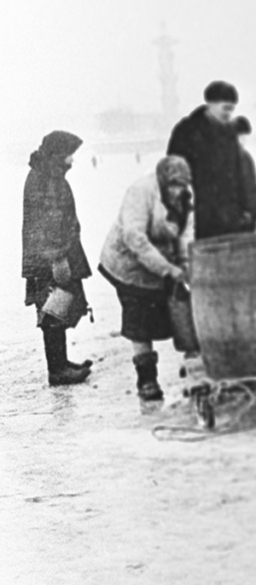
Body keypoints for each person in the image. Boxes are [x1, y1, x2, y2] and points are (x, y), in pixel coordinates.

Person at [98, 156, 194, 400]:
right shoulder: (140, 192)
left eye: (183, 185)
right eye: (173, 185)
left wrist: (183, 265)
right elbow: (135, 238)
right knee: (139, 319)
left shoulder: (185, 199)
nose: (178, 190)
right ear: (162, 181)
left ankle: (195, 370)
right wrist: (168, 269)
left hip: (158, 261)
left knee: (178, 312)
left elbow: (185, 235)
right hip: (127, 263)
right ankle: (147, 380)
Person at [21, 130, 93, 386]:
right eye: (69, 154)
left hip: (48, 256)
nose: (72, 160)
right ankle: (57, 370)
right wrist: (58, 259)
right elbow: (47, 224)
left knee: (57, 306)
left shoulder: (46, 174)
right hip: (49, 258)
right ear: (57, 154)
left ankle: (61, 363)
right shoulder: (45, 178)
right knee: (52, 309)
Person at [167, 80, 256, 239]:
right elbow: (174, 172)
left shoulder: (230, 134)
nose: (228, 114)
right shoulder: (186, 131)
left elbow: (240, 174)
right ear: (210, 103)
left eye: (232, 109)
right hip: (200, 212)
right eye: (225, 108)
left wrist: (249, 209)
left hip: (231, 214)